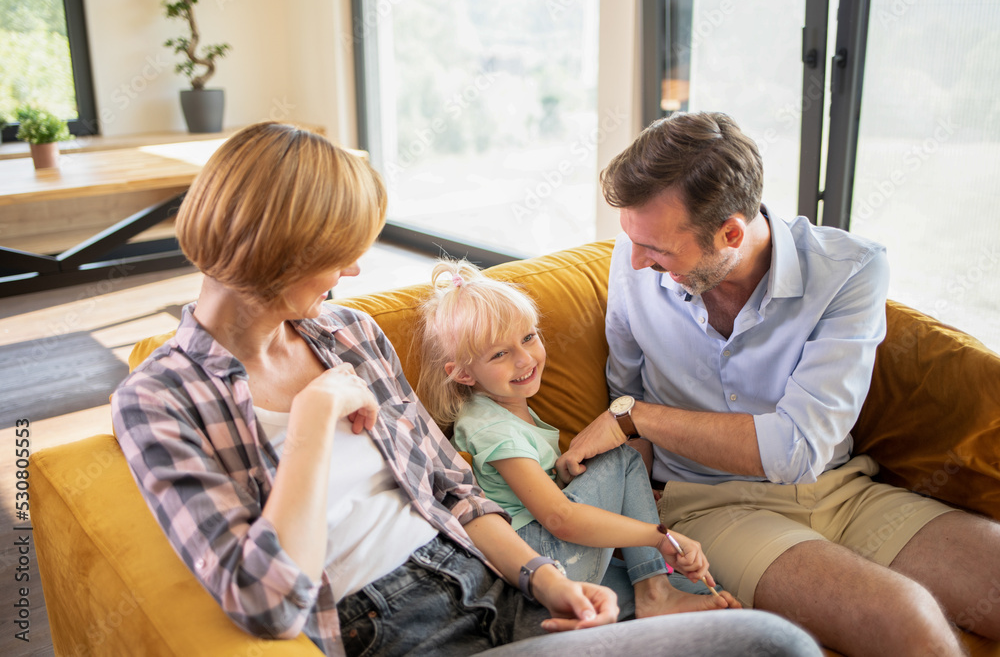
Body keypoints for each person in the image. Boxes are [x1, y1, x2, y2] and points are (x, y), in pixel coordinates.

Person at [111, 122, 822, 657]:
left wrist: (547, 580)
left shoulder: (348, 333)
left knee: (769, 641)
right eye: (339, 250)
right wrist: (313, 416)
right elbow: (267, 601)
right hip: (392, 624)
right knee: (768, 644)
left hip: (492, 576)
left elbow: (454, 488)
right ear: (278, 247)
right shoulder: (157, 401)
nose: (355, 270)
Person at [556, 111, 1000, 657]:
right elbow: (624, 395)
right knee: (905, 619)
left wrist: (639, 418)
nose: (637, 260)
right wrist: (643, 539)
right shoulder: (633, 263)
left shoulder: (849, 271)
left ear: (731, 233)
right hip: (708, 507)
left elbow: (797, 450)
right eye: (632, 239)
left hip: (841, 489)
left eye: (660, 250)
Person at [417, 260, 741, 620]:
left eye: (528, 337)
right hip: (543, 557)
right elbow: (559, 518)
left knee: (698, 596)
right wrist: (656, 536)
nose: (525, 359)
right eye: (499, 354)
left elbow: (538, 494)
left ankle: (657, 596)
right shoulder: (491, 428)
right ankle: (654, 590)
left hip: (557, 562)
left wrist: (576, 482)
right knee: (623, 458)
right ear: (462, 373)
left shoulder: (505, 409)